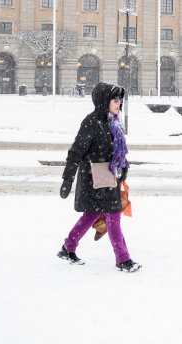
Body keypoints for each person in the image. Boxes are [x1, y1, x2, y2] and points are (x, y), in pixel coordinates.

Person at [57, 82, 141, 273]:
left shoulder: (113, 122)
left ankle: (68, 247)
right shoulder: (92, 122)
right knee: (112, 215)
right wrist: (67, 179)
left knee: (93, 214)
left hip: (108, 175)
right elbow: (76, 150)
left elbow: (116, 150)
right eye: (115, 100)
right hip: (94, 177)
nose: (118, 104)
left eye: (120, 100)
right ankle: (122, 258)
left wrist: (124, 165)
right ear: (104, 100)